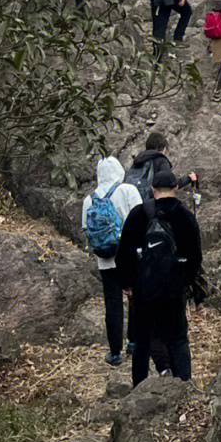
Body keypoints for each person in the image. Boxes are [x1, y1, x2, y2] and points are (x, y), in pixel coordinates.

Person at [116, 158, 203, 386]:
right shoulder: (185, 217)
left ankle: (139, 388)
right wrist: (185, 282)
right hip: (174, 288)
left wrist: (127, 284)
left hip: (143, 289)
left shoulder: (138, 214)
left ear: (152, 190)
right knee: (177, 339)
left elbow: (123, 252)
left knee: (142, 341)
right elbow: (195, 257)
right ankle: (184, 386)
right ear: (176, 188)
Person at [82, 156, 142, 366]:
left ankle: (114, 353)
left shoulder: (89, 199)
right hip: (130, 256)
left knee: (112, 303)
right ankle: (133, 343)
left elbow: (86, 230)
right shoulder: (128, 190)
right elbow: (140, 220)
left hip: (105, 260)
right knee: (136, 297)